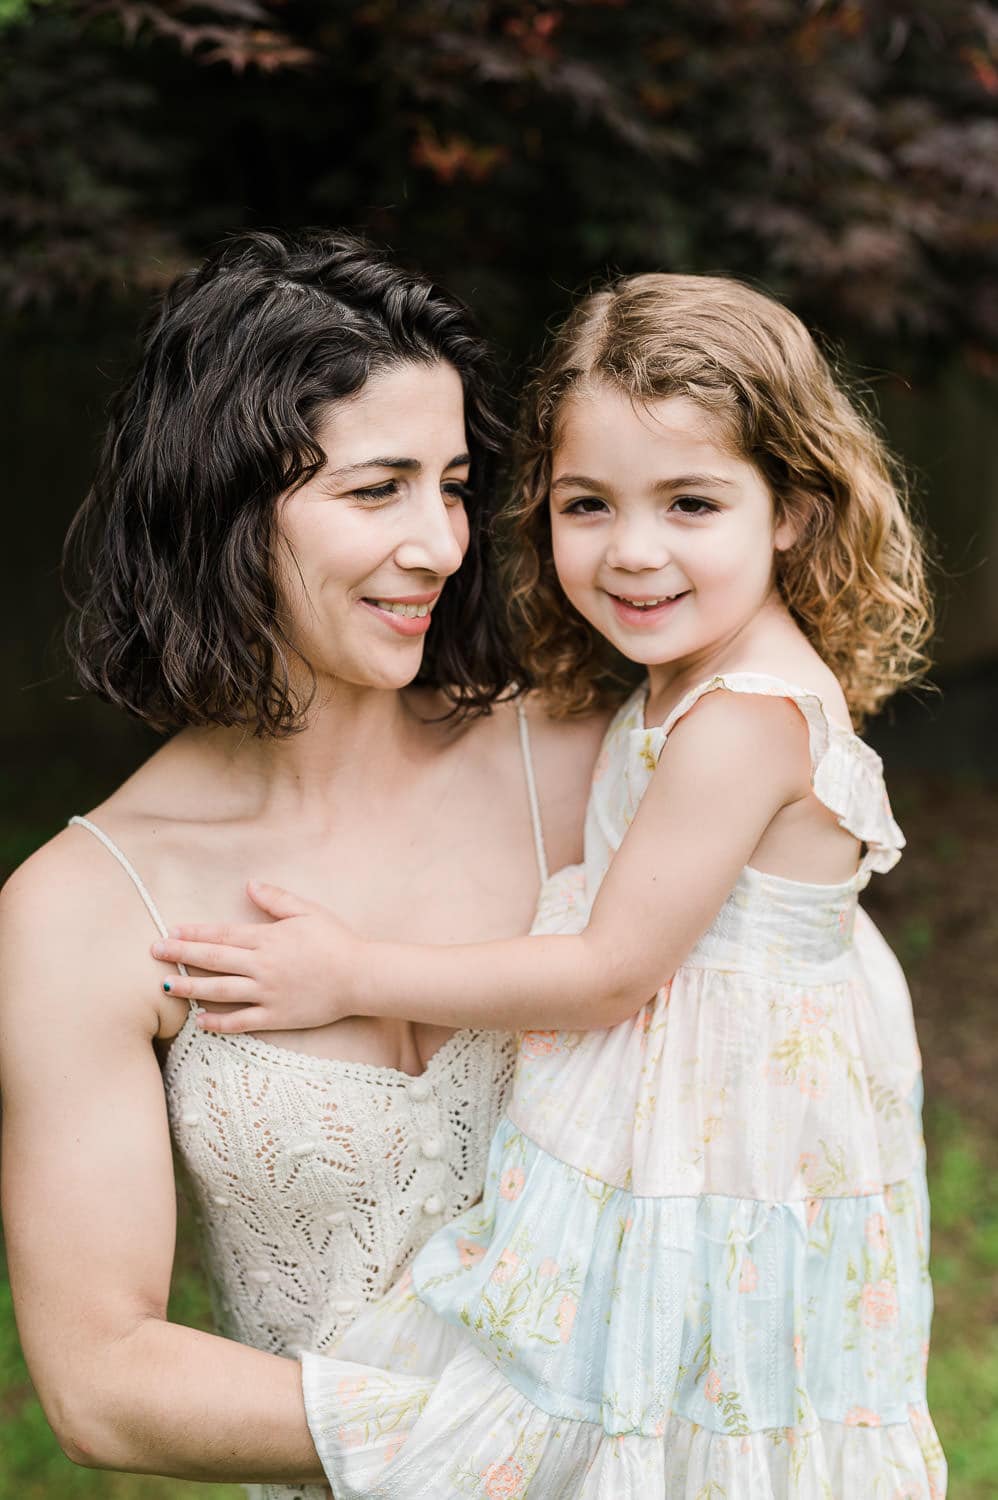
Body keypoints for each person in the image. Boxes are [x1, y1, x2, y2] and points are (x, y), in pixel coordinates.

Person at [158, 273, 947, 1498]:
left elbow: (607, 973)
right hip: (681, 1122)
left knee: (675, 1435)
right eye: (587, 504)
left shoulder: (744, 714)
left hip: (721, 1159)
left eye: (690, 502)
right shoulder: (690, 678)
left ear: (792, 509)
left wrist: (349, 970)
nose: (632, 551)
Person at [0, 230, 607, 1498]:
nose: (440, 544)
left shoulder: (578, 763)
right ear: (224, 504)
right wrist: (484, 1442)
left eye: (452, 486)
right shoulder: (82, 908)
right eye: (377, 489)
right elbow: (102, 1377)